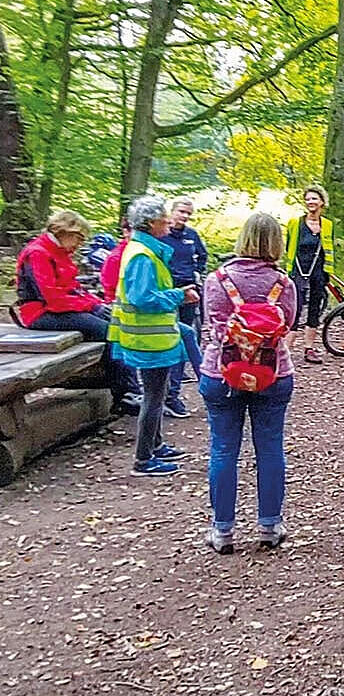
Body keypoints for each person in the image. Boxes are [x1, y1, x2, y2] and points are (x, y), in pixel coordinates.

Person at [201, 213, 298, 554]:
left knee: (224, 448)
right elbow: (287, 326)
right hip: (272, 373)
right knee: (270, 448)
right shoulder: (283, 284)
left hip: (222, 373)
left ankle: (223, 530)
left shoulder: (217, 280)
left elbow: (213, 328)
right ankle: (270, 525)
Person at [109, 196, 200, 477]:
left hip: (151, 337)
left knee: (156, 395)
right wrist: (179, 295)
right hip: (147, 339)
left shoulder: (144, 250)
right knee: (153, 397)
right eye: (163, 219)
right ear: (150, 224)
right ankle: (144, 458)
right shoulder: (141, 256)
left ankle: (156, 444)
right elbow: (141, 298)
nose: (168, 223)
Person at [15, 210, 138, 414]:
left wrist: (98, 304)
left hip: (60, 308)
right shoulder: (37, 253)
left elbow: (73, 288)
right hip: (39, 313)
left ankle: (129, 388)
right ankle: (125, 393)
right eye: (78, 238)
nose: (79, 245)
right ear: (64, 231)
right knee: (108, 331)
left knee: (115, 322)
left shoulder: (60, 252)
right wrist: (90, 307)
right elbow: (51, 298)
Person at [163, 197, 209, 418]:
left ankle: (174, 391)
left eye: (188, 213)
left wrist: (197, 272)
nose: (184, 216)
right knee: (174, 339)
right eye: (181, 211)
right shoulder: (161, 235)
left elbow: (202, 255)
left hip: (189, 291)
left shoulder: (191, 235)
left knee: (185, 339)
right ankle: (169, 394)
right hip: (169, 293)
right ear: (171, 211)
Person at [285, 185, 335, 364]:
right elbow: (289, 247)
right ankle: (286, 349)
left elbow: (329, 251)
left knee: (315, 308)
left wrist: (328, 272)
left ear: (322, 202)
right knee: (295, 308)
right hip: (299, 270)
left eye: (314, 199)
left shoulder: (327, 225)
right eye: (307, 199)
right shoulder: (295, 223)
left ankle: (309, 348)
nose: (310, 202)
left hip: (319, 271)